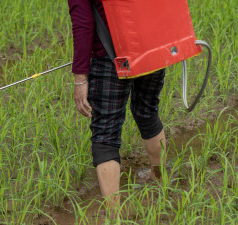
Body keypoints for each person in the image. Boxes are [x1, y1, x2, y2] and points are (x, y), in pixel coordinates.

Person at [68, 0, 166, 211]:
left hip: (110, 55)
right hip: (153, 45)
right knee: (147, 111)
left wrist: (80, 77)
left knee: (106, 134)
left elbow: (83, 22)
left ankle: (114, 217)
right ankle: (161, 185)